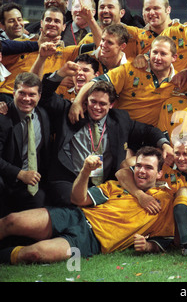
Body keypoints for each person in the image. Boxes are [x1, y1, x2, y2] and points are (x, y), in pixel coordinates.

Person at [0, 146, 174, 265]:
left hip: (91, 241)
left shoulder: (165, 201)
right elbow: (78, 200)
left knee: (34, 254)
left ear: (160, 173)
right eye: (138, 166)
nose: (142, 171)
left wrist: (147, 246)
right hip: (76, 215)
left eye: (148, 168)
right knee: (11, 220)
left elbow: (165, 239)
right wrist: (85, 171)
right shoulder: (118, 185)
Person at [38, 66, 172, 207]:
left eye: (102, 104)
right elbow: (44, 94)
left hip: (102, 183)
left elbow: (148, 131)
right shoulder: (69, 111)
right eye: (93, 102)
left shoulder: (120, 120)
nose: (96, 107)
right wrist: (60, 74)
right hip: (68, 179)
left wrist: (165, 144)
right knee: (72, 205)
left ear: (111, 105)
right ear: (86, 100)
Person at [0, 7, 95, 102]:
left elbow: (101, 47)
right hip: (9, 98)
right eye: (48, 20)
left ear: (63, 27)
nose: (52, 24)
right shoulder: (20, 45)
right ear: (41, 23)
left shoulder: (68, 53)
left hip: (41, 104)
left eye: (57, 21)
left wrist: (91, 20)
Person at [0, 73, 51, 216]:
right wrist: (20, 174)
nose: (26, 99)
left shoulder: (44, 115)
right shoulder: (2, 117)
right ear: (13, 93)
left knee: (40, 206)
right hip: (5, 180)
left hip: (32, 183)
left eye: (31, 94)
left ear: (39, 96)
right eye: (22, 93)